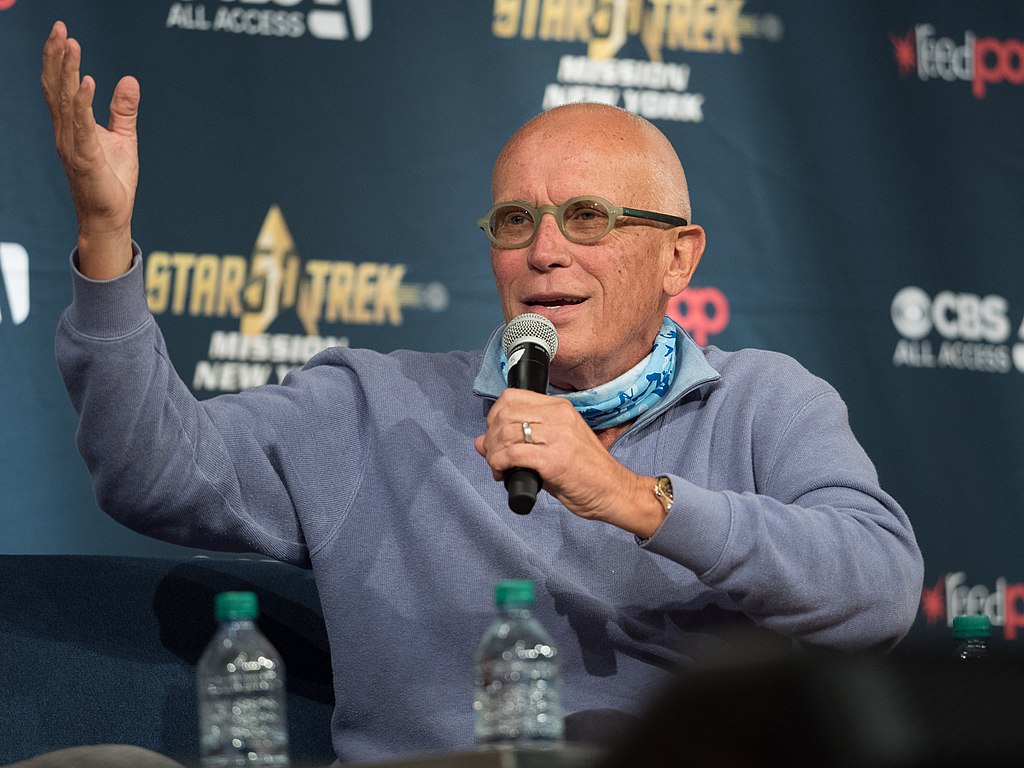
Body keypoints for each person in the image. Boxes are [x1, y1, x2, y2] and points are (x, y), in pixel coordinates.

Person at [39, 19, 923, 766]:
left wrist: (633, 499)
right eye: (516, 222)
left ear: (678, 257)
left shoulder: (761, 402)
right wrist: (107, 237)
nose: (544, 251)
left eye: (588, 219)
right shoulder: (371, 407)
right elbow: (148, 471)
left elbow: (878, 590)